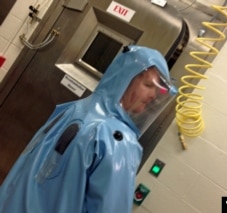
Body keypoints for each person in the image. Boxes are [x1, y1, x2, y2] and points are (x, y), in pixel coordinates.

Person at [0, 45, 177, 213]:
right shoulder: (117, 140)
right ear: (124, 79)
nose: (153, 96)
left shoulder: (77, 108)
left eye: (157, 89)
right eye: (148, 85)